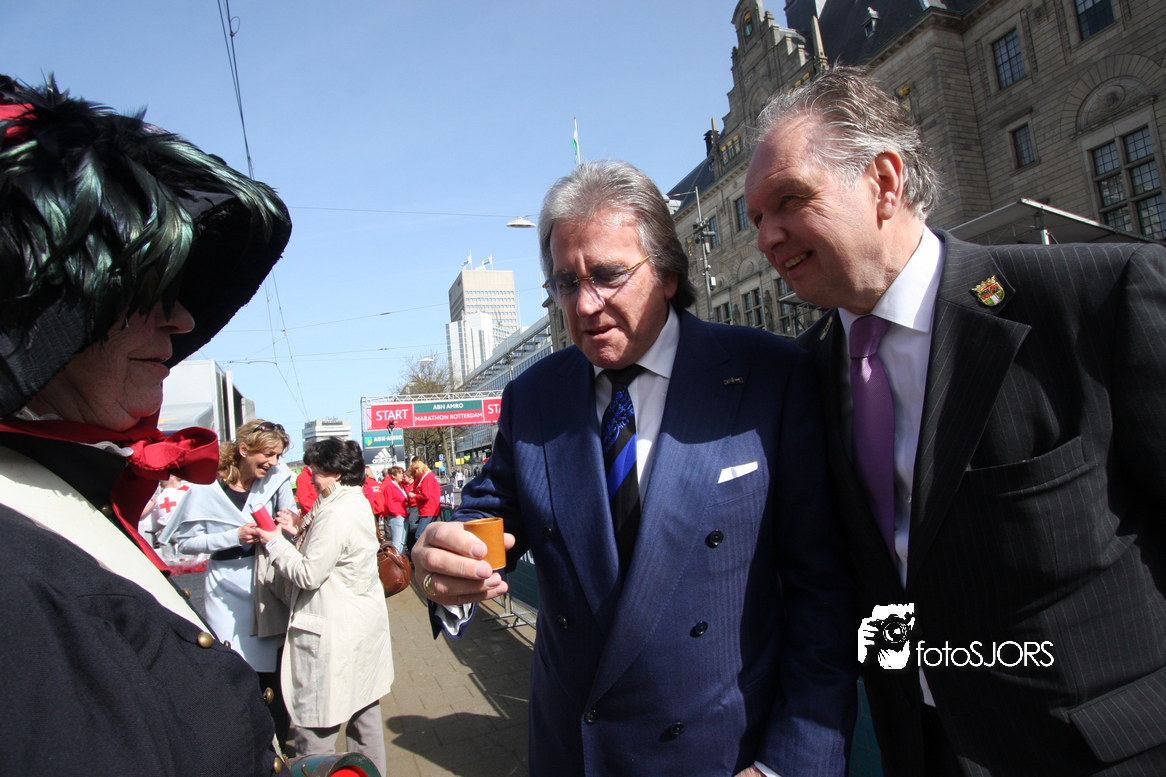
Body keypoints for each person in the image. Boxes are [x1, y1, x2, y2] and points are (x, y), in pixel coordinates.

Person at [743, 66, 1166, 777]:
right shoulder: (805, 374)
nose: (767, 238)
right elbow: (871, 579)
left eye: (789, 201)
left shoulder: (1094, 301)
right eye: (756, 218)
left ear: (884, 181)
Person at [412, 160, 857, 776]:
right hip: (574, 752)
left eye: (607, 275)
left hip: (723, 755)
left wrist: (789, 763)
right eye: (565, 283)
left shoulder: (770, 376)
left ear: (668, 273)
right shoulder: (534, 397)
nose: (584, 305)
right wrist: (442, 558)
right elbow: (489, 517)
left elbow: (824, 594)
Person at [0, 76, 292, 774]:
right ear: (48, 304)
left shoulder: (54, 495)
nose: (183, 319)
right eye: (150, 289)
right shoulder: (20, 589)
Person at [255, 438, 393, 775]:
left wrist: (274, 542)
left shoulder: (334, 512)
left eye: (315, 471)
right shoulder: (355, 500)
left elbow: (308, 573)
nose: (312, 478)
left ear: (334, 473)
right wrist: (300, 528)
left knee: (317, 725)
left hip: (333, 633)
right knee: (365, 716)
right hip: (362, 626)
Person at [160, 420, 296, 745]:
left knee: (274, 675)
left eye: (278, 456)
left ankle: (277, 742)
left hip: (268, 587)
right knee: (234, 669)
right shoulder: (204, 488)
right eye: (268, 454)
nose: (274, 462)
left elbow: (291, 520)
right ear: (244, 450)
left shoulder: (278, 479)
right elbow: (184, 543)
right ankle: (245, 742)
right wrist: (232, 537)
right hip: (225, 589)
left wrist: (290, 523)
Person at [408, 458, 440, 544]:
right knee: (429, 534)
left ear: (418, 470)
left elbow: (426, 496)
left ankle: (423, 550)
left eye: (414, 472)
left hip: (428, 510)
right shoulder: (424, 477)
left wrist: (414, 496)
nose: (414, 475)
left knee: (419, 535)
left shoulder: (427, 477)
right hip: (427, 510)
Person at [382, 465, 409, 552]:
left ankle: (402, 557)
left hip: (404, 515)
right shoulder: (390, 486)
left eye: (402, 473)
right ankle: (395, 558)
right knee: (396, 542)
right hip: (396, 517)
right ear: (393, 475)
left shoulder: (401, 486)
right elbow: (388, 502)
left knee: (402, 542)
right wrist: (396, 514)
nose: (402, 475)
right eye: (399, 474)